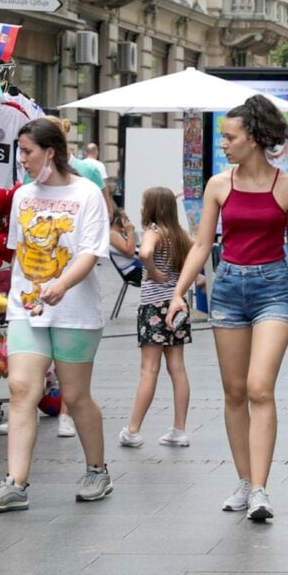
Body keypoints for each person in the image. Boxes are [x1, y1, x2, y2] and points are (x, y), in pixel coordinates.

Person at [166, 95, 288, 523]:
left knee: (259, 388)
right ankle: (243, 478)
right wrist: (179, 292)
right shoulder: (219, 184)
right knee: (234, 392)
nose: (224, 144)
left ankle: (260, 490)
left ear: (253, 138)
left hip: (272, 288)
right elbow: (201, 244)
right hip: (229, 287)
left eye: (230, 137)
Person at [0, 117, 112, 512]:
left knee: (75, 394)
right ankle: (15, 483)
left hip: (75, 309)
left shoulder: (87, 194)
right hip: (27, 305)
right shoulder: (23, 195)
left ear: (50, 152)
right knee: (21, 388)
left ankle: (97, 470)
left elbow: (90, 252)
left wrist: (62, 285)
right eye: (20, 151)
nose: (22, 159)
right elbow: (19, 252)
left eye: (27, 151)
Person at [119, 187, 193, 448]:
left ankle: (133, 429)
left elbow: (145, 253)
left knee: (149, 370)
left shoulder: (153, 231)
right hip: (176, 306)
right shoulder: (179, 235)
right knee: (178, 369)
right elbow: (197, 255)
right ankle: (179, 429)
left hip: (153, 308)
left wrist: (151, 271)